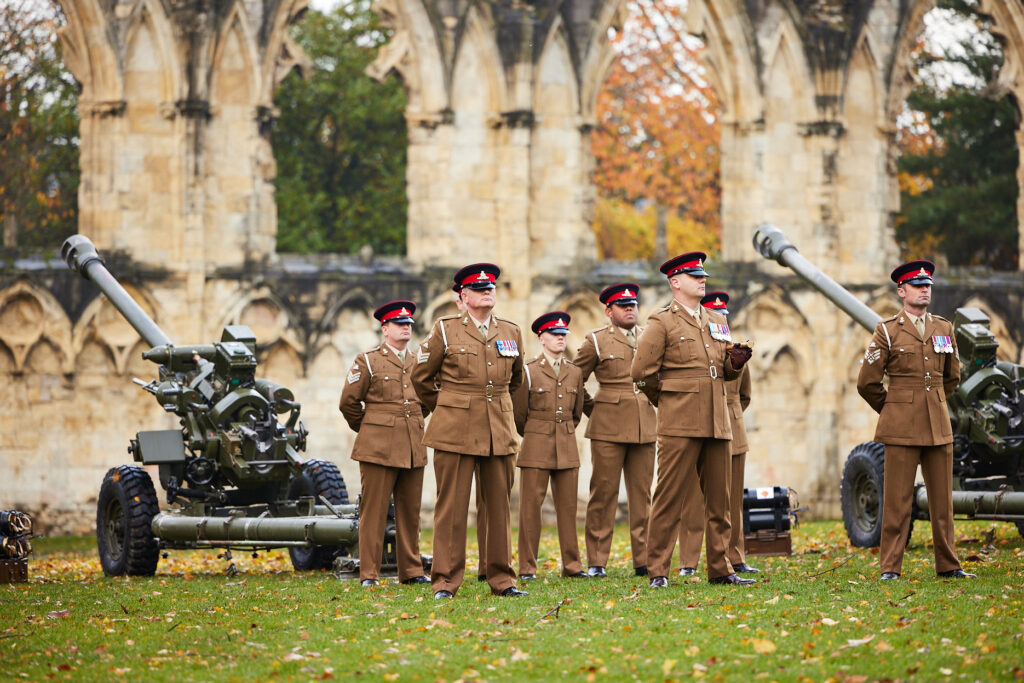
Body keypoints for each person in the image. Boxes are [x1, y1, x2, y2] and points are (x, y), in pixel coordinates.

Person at [631, 252, 753, 588]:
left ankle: (721, 568)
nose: (702, 280)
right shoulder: (661, 322)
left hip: (718, 421)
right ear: (675, 282)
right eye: (694, 276)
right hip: (680, 423)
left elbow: (723, 372)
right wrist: (669, 400)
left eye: (703, 276)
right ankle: (658, 570)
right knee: (669, 499)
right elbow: (640, 373)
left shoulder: (716, 320)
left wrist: (736, 364)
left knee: (720, 501)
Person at [411, 263, 528, 598]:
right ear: (462, 299)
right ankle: (445, 581)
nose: (486, 291)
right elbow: (420, 378)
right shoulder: (445, 331)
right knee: (451, 507)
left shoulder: (511, 332)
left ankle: (502, 579)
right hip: (455, 430)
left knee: (499, 507)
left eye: (490, 287)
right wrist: (448, 406)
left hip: (498, 430)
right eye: (478, 289)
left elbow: (516, 379)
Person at [856, 260, 973, 580]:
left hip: (938, 424)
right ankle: (890, 567)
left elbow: (952, 376)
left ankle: (949, 565)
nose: (925, 290)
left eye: (928, 286)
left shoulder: (944, 328)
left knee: (942, 502)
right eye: (918, 286)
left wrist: (932, 401)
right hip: (901, 427)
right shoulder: (887, 331)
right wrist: (894, 407)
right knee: (897, 501)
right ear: (901, 291)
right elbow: (866, 382)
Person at [339, 300, 430, 587]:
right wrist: (371, 428)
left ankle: (412, 571)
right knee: (374, 511)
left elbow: (427, 400)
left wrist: (411, 420)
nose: (406, 328)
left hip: (413, 444)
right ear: (385, 328)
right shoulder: (368, 360)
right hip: (377, 447)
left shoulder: (419, 362)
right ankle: (369, 574)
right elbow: (349, 403)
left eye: (409, 325)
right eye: (400, 324)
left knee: (410, 512)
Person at [574, 283, 657, 578]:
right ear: (609, 312)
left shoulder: (650, 336)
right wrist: (592, 409)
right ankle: (597, 560)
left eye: (633, 304)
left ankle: (644, 559)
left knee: (642, 495)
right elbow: (574, 379)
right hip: (608, 425)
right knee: (603, 494)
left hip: (644, 424)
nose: (630, 308)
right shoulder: (596, 341)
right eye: (623, 306)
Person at [676, 292, 758, 576]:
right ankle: (687, 561)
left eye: (724, 317)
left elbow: (744, 395)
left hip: (732, 429)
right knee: (693, 501)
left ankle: (735, 557)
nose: (720, 322)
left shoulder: (734, 352)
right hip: (698, 426)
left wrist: (730, 415)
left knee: (731, 501)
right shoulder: (697, 352)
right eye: (715, 316)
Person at [513, 312, 587, 581]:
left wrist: (562, 431)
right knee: (531, 509)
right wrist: (535, 433)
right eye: (555, 334)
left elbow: (576, 412)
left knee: (568, 509)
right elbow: (519, 413)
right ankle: (527, 568)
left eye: (563, 334)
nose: (560, 338)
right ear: (541, 338)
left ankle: (573, 566)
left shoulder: (575, 372)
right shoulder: (529, 370)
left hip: (566, 444)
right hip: (536, 443)